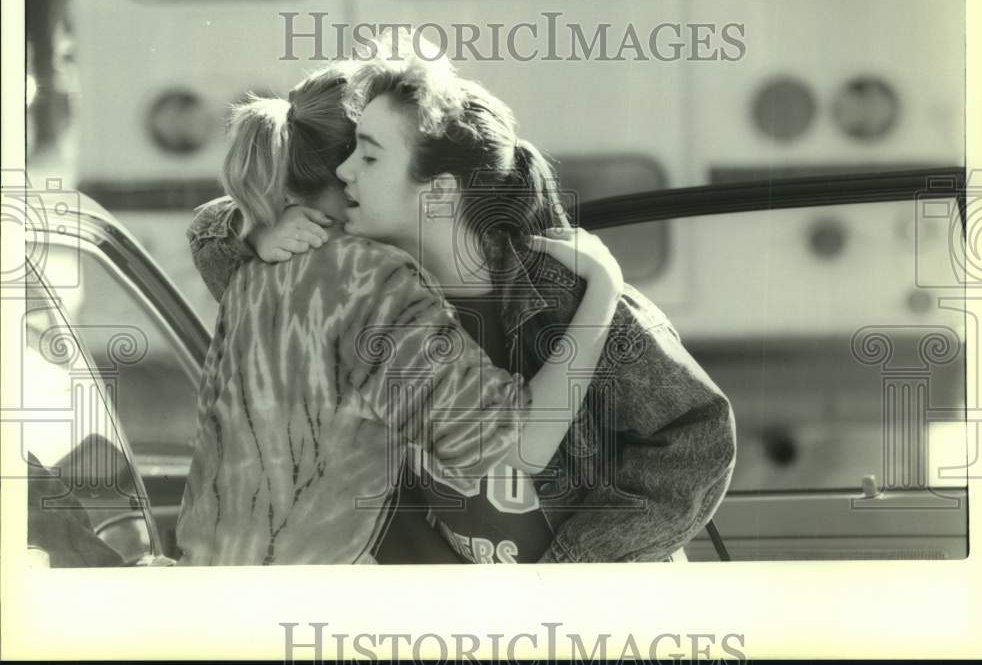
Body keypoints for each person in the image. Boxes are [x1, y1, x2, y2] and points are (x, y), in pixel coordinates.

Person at [189, 41, 736, 563]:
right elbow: (217, 248)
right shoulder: (361, 297)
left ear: (436, 187)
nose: (348, 175)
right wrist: (252, 229)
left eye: (368, 159)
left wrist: (575, 568)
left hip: (595, 613)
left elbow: (696, 437)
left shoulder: (556, 293)